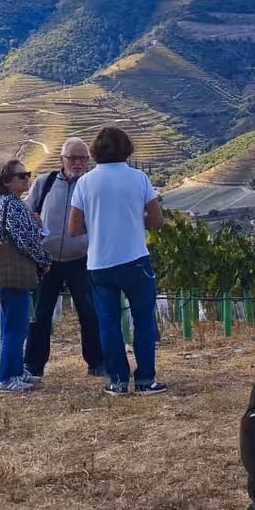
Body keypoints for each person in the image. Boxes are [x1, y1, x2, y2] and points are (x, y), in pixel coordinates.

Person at [68, 125, 168, 396]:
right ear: (127, 149)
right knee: (144, 320)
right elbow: (158, 221)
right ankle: (146, 380)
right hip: (135, 260)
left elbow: (74, 228)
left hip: (99, 263)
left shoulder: (85, 183)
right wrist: (135, 221)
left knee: (108, 322)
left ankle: (118, 381)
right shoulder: (139, 179)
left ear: (95, 151)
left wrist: (100, 225)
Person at [22, 137, 105, 385]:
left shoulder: (94, 186)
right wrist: (33, 222)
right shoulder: (44, 183)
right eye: (73, 158)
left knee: (89, 314)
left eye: (82, 158)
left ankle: (97, 362)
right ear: (62, 159)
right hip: (47, 261)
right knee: (41, 314)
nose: (77, 163)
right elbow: (28, 211)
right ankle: (34, 365)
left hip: (82, 259)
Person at [0, 158, 52, 393]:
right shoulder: (12, 206)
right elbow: (25, 241)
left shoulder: (6, 204)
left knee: (12, 327)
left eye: (27, 174)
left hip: (8, 276)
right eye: (21, 176)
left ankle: (15, 371)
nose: (27, 178)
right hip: (14, 276)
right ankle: (6, 378)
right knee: (16, 329)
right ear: (7, 182)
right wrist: (44, 261)